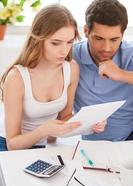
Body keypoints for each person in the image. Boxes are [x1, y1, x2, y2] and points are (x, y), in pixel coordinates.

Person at [0, 4, 106, 151]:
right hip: (10, 147)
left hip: (44, 145)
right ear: (38, 40)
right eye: (55, 43)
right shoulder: (16, 78)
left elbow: (65, 117)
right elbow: (13, 144)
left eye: (69, 42)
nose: (64, 51)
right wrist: (44, 131)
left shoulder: (71, 68)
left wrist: (89, 124)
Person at [73, 0, 133, 141]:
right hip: (93, 144)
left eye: (114, 39)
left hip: (130, 138)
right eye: (99, 38)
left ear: (123, 35)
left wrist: (121, 74)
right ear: (86, 31)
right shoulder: (72, 56)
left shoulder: (130, 54)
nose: (107, 48)